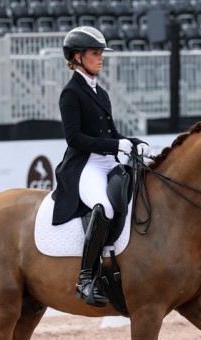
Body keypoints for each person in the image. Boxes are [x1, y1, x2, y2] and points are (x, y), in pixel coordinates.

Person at [51, 26, 151, 307]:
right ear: (77, 57)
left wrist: (132, 142)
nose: (101, 58)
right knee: (104, 207)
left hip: (108, 161)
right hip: (85, 166)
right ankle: (85, 279)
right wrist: (114, 146)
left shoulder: (101, 92)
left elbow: (111, 135)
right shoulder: (71, 93)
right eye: (96, 53)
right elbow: (75, 138)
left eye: (101, 53)